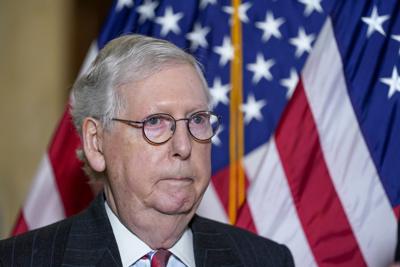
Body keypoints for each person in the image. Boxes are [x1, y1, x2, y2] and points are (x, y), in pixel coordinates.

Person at [0, 34, 294, 266]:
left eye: (197, 120)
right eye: (155, 122)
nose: (183, 146)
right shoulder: (20, 260)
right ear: (96, 142)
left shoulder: (267, 260)